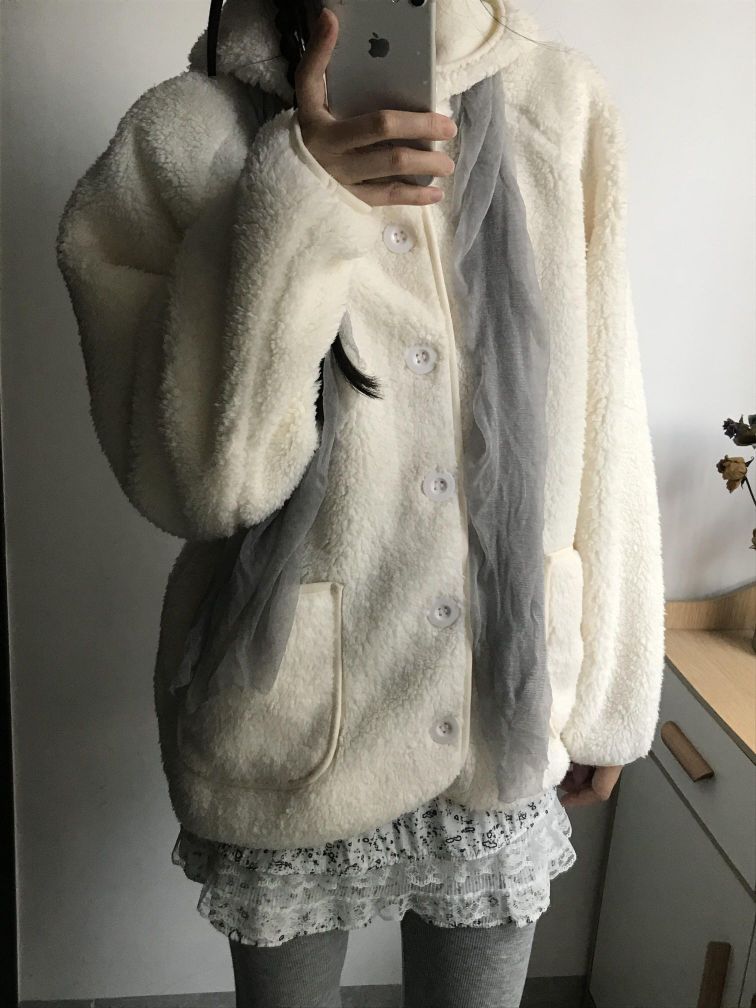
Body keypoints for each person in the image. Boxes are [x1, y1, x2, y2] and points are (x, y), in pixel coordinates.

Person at [55, 0, 666, 1005]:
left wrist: (611, 702)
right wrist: (297, 198)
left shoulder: (561, 106)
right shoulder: (181, 139)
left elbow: (609, 406)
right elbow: (207, 486)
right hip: (288, 723)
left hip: (499, 698)